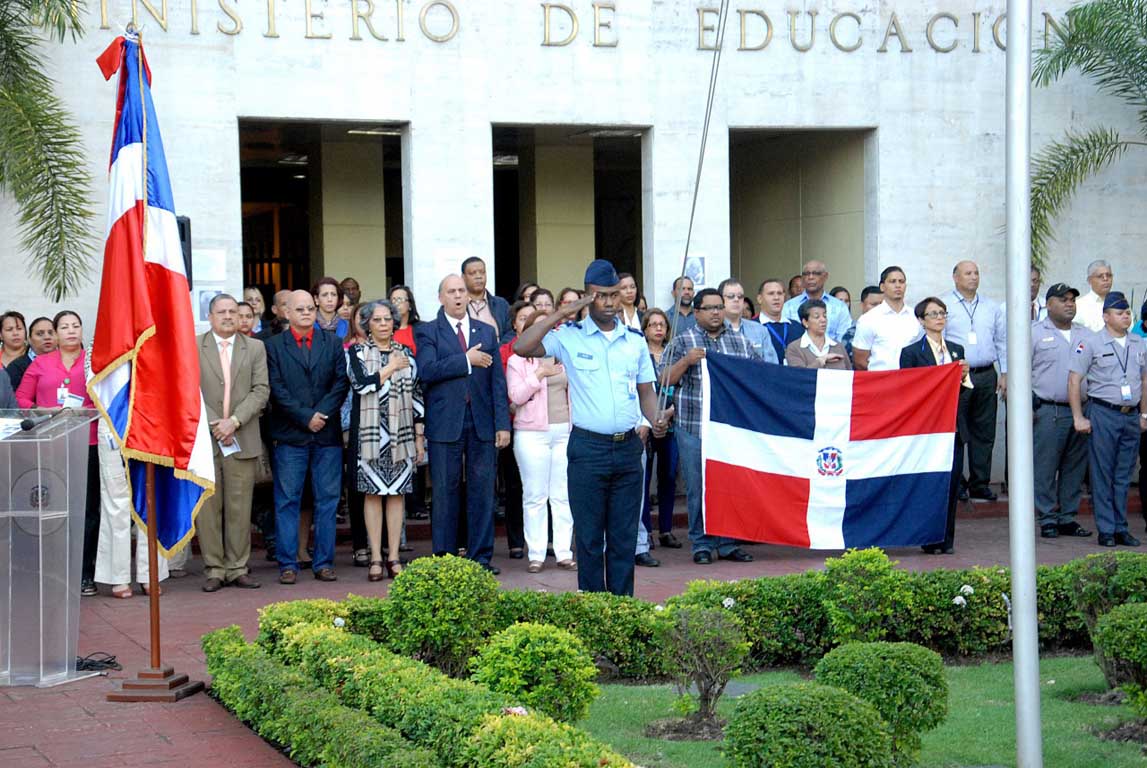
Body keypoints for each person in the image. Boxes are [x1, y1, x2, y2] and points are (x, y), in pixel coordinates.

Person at [513, 260, 672, 596]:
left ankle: (622, 611)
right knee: (588, 538)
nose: (610, 302)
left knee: (623, 538)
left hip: (629, 449)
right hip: (588, 449)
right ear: (587, 297)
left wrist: (656, 417)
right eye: (601, 296)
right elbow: (522, 347)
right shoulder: (569, 337)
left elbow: (646, 391)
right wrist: (561, 314)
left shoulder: (634, 341)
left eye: (614, 295)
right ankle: (593, 610)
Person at [415, 274, 511, 574]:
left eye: (461, 291)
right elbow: (427, 370)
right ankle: (444, 559)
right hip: (445, 422)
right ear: (441, 297)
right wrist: (466, 360)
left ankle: (481, 557)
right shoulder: (429, 331)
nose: (458, 296)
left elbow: (497, 381)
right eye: (451, 291)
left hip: (482, 421)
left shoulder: (486, 331)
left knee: (483, 491)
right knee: (445, 491)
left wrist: (502, 423)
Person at [664, 288, 758, 565]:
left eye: (720, 307)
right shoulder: (682, 341)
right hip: (693, 426)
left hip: (729, 429)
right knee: (697, 487)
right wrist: (686, 361)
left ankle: (728, 542)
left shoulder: (741, 342)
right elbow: (664, 379)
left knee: (729, 484)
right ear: (696, 312)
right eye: (710, 308)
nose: (717, 312)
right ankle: (701, 543)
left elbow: (756, 377)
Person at [265, 290, 350, 583]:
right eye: (299, 309)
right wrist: (305, 417)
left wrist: (321, 414)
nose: (306, 313)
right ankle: (288, 563)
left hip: (326, 435)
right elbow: (276, 388)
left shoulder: (334, 343)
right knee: (288, 500)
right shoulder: (273, 346)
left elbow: (341, 383)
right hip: (291, 435)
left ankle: (324, 563)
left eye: (310, 309)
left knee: (327, 501)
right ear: (286, 313)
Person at [16, 311, 99, 594]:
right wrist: (43, 411)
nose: (71, 331)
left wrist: (87, 410)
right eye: (64, 327)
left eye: (76, 325)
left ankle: (85, 573)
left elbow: (106, 398)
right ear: (55, 333)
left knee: (87, 510)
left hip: (88, 442)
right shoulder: (40, 363)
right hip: (51, 443)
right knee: (53, 508)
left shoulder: (93, 362)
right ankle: (51, 571)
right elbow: (21, 400)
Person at [196, 294, 270, 592]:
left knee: (240, 507)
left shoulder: (255, 347)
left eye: (232, 312)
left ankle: (238, 566)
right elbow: (188, 388)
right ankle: (214, 568)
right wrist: (217, 423)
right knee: (208, 508)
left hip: (242, 435)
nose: (227, 316)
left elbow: (261, 389)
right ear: (210, 316)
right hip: (205, 439)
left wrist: (234, 421)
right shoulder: (193, 346)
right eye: (221, 312)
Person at [348, 300, 425, 581]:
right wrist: (390, 368)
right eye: (377, 320)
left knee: (396, 494)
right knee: (372, 493)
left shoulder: (407, 353)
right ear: (367, 324)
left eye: (387, 319)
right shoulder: (356, 352)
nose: (383, 324)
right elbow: (362, 384)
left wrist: (418, 436)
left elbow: (417, 397)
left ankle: (393, 556)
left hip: (401, 434)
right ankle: (375, 558)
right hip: (370, 435)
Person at [1068, 291, 1146, 547]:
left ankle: (1121, 527)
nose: (1126, 317)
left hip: (1130, 415)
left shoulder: (1138, 343)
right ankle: (1106, 529)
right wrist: (1078, 416)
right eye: (1120, 313)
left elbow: (1145, 380)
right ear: (1106, 317)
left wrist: (1144, 413)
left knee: (1124, 474)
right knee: (1103, 473)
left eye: (1127, 313)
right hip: (1103, 412)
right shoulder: (1091, 342)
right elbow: (1074, 379)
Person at [899, 297, 970, 554]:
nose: (939, 318)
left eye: (942, 313)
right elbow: (908, 389)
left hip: (953, 425)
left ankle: (946, 539)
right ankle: (929, 538)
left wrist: (963, 377)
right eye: (933, 314)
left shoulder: (956, 350)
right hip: (927, 428)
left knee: (951, 482)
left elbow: (964, 390)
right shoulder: (911, 353)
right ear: (921, 320)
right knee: (930, 483)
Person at [506, 312, 576, 573]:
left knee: (562, 495)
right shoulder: (517, 360)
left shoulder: (565, 355)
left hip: (564, 432)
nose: (546, 330)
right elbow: (516, 396)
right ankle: (536, 553)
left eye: (550, 325)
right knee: (535, 495)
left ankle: (564, 552)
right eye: (539, 326)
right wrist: (539, 374)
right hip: (531, 433)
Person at [1030, 283, 1093, 539]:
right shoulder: (1033, 333)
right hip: (1048, 410)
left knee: (1074, 467)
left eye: (1072, 300)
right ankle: (1047, 517)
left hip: (1082, 409)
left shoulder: (1086, 334)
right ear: (1049, 304)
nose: (1069, 304)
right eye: (1063, 299)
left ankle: (1067, 517)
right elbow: (1019, 373)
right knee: (1045, 467)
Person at [944, 260, 1007, 502]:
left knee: (985, 430)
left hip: (986, 374)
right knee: (958, 430)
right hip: (957, 376)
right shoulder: (944, 305)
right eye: (968, 273)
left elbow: (1002, 341)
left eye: (976, 273)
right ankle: (957, 483)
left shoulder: (992, 307)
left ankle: (980, 482)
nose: (973, 277)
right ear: (955, 277)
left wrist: (1005, 372)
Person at [640, 308, 681, 552]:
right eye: (653, 324)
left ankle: (665, 529)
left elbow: (683, 387)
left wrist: (668, 413)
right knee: (644, 479)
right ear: (645, 329)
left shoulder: (674, 354)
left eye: (662, 325)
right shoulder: (639, 354)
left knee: (668, 477)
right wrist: (650, 417)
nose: (658, 328)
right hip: (646, 424)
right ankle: (645, 531)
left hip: (671, 423)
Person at [499, 301, 535, 559]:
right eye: (523, 318)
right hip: (513, 425)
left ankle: (544, 540)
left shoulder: (549, 350)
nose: (528, 322)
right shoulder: (505, 353)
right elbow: (501, 391)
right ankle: (516, 541)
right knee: (514, 486)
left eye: (533, 318)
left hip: (544, 427)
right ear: (514, 324)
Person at [389, 284, 428, 522]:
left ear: (410, 304)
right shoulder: (385, 329)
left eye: (402, 299)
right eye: (393, 299)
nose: (397, 303)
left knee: (419, 450)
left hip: (419, 392)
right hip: (393, 396)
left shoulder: (420, 331)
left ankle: (417, 502)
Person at [852, 266, 920, 371]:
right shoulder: (869, 319)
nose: (898, 285)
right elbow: (860, 361)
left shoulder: (916, 317)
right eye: (892, 281)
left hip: (910, 380)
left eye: (901, 282)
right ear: (882, 287)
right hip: (880, 381)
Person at [782, 261, 853, 343]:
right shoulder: (788, 307)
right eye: (806, 274)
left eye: (816, 273)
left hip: (832, 354)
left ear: (825, 276)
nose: (810, 277)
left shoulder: (840, 307)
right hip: (798, 354)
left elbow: (843, 339)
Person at [719, 278, 776, 364]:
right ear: (720, 300)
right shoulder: (713, 329)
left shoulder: (760, 330)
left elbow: (772, 366)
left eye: (740, 296)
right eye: (731, 296)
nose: (736, 300)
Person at [786, 299, 852, 370]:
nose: (823, 320)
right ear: (805, 322)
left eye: (825, 316)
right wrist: (821, 361)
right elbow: (800, 376)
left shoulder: (838, 346)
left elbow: (850, 375)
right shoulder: (794, 348)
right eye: (817, 317)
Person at [461, 257, 513, 343]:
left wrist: (498, 351)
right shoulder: (458, 305)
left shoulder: (501, 304)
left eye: (482, 272)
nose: (478, 276)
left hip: (498, 354)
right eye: (473, 273)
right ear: (463, 277)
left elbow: (511, 332)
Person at [755, 278, 804, 363]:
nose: (776, 297)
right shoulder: (752, 327)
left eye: (780, 293)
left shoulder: (797, 327)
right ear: (759, 299)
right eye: (771, 294)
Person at [5, 316, 55, 391]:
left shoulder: (67, 361)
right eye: (40, 334)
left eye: (51, 333)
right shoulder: (16, 367)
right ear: (29, 339)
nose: (47, 337)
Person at [841, 286, 883, 360]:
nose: (879, 308)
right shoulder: (851, 335)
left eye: (882, 305)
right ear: (862, 305)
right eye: (874, 304)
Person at [1076, 260, 1113, 333]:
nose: (1105, 279)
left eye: (1109, 275)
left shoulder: (1120, 302)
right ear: (1089, 280)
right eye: (1100, 276)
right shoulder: (1079, 306)